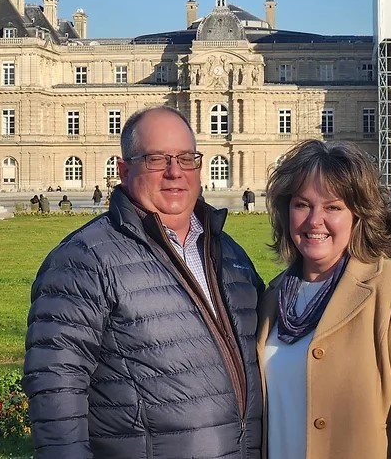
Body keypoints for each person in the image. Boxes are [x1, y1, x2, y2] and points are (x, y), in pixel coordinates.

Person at [24, 106, 264, 458]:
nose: (174, 173)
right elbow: (55, 387)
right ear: (123, 171)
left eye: (186, 158)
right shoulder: (84, 259)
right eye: (156, 160)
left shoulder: (229, 254)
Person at [258, 140, 391, 458]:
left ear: (359, 215)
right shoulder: (274, 297)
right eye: (302, 204)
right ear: (286, 211)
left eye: (333, 207)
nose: (314, 220)